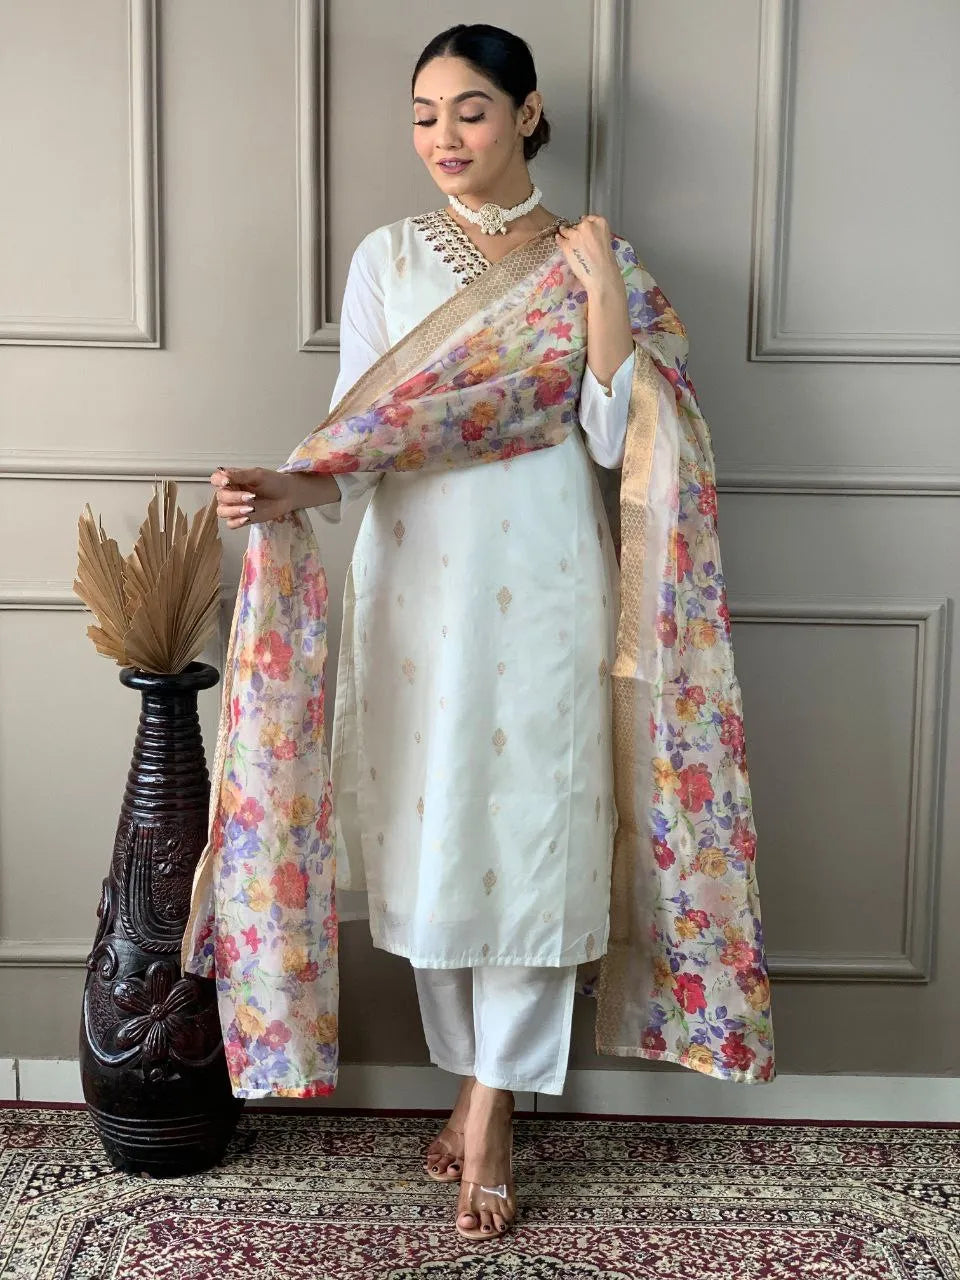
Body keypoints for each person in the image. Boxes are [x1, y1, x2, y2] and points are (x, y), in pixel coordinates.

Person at [196, 21, 774, 1244]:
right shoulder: (388, 258)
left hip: (550, 576)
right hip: (416, 581)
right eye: (424, 115)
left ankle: (494, 1103)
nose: (443, 136)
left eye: (468, 110)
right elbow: (359, 433)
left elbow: (619, 440)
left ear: (527, 113)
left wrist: (603, 289)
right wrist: (285, 486)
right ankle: (472, 1071)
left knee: (534, 832)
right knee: (433, 840)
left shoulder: (592, 260)